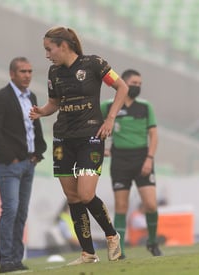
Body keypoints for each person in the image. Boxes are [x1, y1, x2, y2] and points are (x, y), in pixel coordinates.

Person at [29, 26, 128, 265]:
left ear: (63, 46)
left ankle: (112, 235)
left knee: (85, 194)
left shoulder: (94, 63)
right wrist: (42, 111)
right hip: (63, 138)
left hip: (90, 138)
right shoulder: (54, 72)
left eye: (48, 49)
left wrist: (110, 119)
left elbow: (122, 87)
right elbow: (54, 103)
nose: (47, 55)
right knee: (72, 197)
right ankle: (87, 253)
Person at [0, 57, 47, 273]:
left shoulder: (32, 96)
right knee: (10, 210)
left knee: (21, 212)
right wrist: (12, 157)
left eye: (30, 71)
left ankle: (16, 259)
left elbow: (34, 128)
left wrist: (39, 152)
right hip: (9, 164)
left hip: (29, 163)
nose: (27, 75)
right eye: (23, 71)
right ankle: (6, 260)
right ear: (12, 74)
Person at [101, 69, 162, 259]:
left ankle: (152, 241)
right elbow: (97, 127)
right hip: (120, 161)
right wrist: (101, 149)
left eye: (140, 84)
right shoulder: (109, 106)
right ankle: (120, 250)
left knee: (151, 205)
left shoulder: (145, 107)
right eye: (134, 83)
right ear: (124, 84)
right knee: (121, 207)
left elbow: (153, 134)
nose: (137, 87)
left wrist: (149, 159)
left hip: (142, 159)